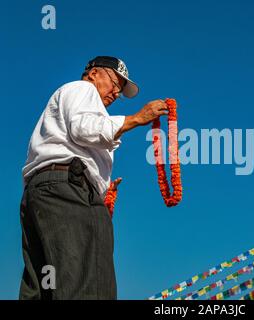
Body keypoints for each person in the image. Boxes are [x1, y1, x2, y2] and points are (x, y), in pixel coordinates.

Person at [20, 56, 169, 300]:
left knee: (43, 286)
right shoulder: (83, 89)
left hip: (43, 194)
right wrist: (136, 118)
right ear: (93, 74)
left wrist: (101, 188)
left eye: (120, 90)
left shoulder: (70, 98)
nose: (116, 93)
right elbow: (84, 128)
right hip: (69, 190)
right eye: (115, 82)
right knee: (88, 284)